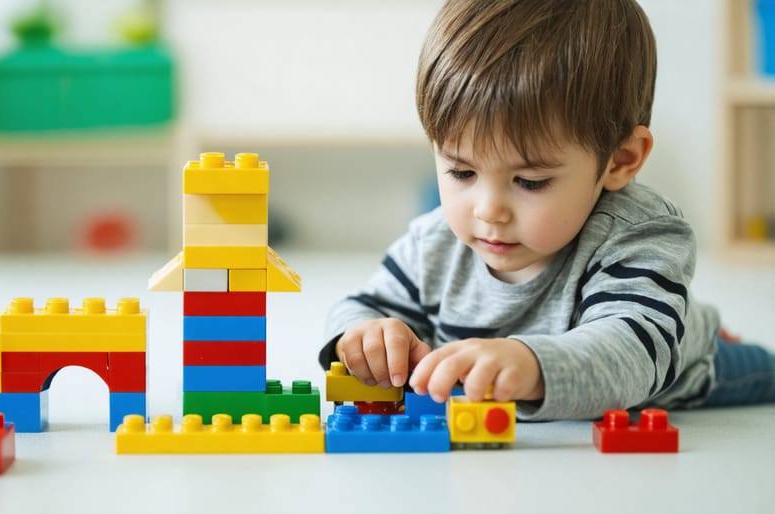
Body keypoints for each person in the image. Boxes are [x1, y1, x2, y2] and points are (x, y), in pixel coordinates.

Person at [319, 0, 775, 420]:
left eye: (530, 181)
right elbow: (363, 306)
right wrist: (369, 335)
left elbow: (629, 354)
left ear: (620, 160)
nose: (488, 210)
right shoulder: (433, 244)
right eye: (461, 173)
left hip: (686, 361)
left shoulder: (640, 235)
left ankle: (716, 334)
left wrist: (532, 363)